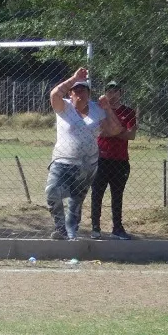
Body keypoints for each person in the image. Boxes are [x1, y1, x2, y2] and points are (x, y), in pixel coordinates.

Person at [45, 67, 122, 240]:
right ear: (70, 93)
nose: (79, 92)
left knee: (76, 200)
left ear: (89, 93)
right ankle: (60, 227)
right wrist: (74, 78)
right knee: (52, 192)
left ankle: (70, 234)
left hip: (87, 165)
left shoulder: (97, 109)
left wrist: (108, 109)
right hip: (63, 161)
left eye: (83, 89)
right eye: (76, 90)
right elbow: (54, 94)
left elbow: (116, 129)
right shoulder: (64, 107)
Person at [89, 81, 137, 240]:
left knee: (117, 195)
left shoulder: (128, 112)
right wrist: (118, 130)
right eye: (109, 91)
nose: (112, 94)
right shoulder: (98, 110)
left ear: (120, 93)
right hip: (101, 159)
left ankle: (117, 228)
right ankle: (95, 227)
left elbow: (131, 135)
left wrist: (113, 131)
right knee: (97, 194)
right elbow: (99, 132)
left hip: (120, 160)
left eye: (115, 91)